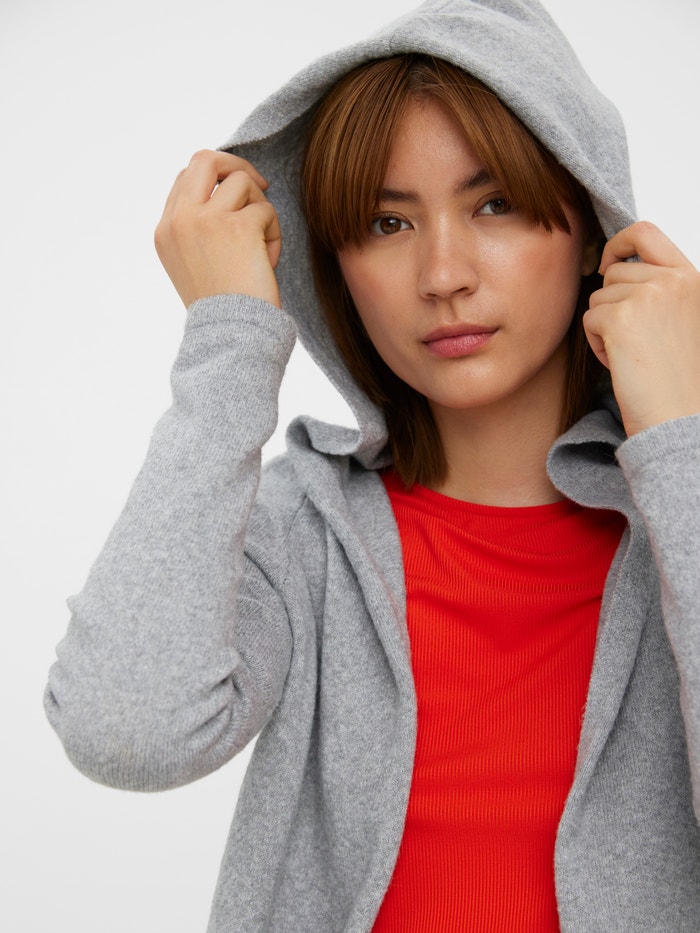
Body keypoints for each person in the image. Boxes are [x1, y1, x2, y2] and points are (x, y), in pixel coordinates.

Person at [45, 0, 700, 930]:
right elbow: (125, 733)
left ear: (594, 228)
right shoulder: (301, 526)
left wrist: (678, 437)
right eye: (389, 224)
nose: (444, 274)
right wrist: (229, 340)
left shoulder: (680, 517)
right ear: (336, 265)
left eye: (495, 204)